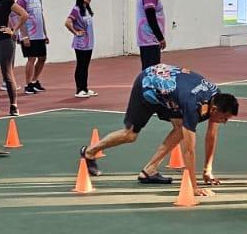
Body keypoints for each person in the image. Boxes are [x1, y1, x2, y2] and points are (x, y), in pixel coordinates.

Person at [79, 64, 238, 191]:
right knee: (130, 135)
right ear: (215, 110)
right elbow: (189, 150)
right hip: (147, 85)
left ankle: (149, 171)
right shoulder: (192, 104)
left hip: (168, 91)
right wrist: (193, 187)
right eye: (224, 118)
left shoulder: (216, 97)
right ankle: (89, 152)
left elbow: (211, 135)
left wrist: (207, 170)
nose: (224, 122)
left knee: (180, 128)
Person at [18, 0, 49, 94]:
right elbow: (21, 19)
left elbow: (41, 16)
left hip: (39, 35)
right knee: (31, 58)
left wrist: (45, 33)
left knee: (42, 58)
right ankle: (28, 84)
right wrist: (24, 35)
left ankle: (35, 81)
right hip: (30, 35)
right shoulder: (22, 0)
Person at [65, 0, 96, 98]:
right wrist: (76, 32)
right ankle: (79, 89)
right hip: (80, 43)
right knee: (81, 65)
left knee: (86, 66)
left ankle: (85, 88)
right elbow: (67, 22)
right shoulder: (76, 9)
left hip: (89, 43)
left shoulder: (86, 9)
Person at [135, 0, 166, 68]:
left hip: (148, 39)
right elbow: (151, 17)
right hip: (150, 39)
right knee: (152, 71)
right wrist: (160, 37)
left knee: (149, 70)